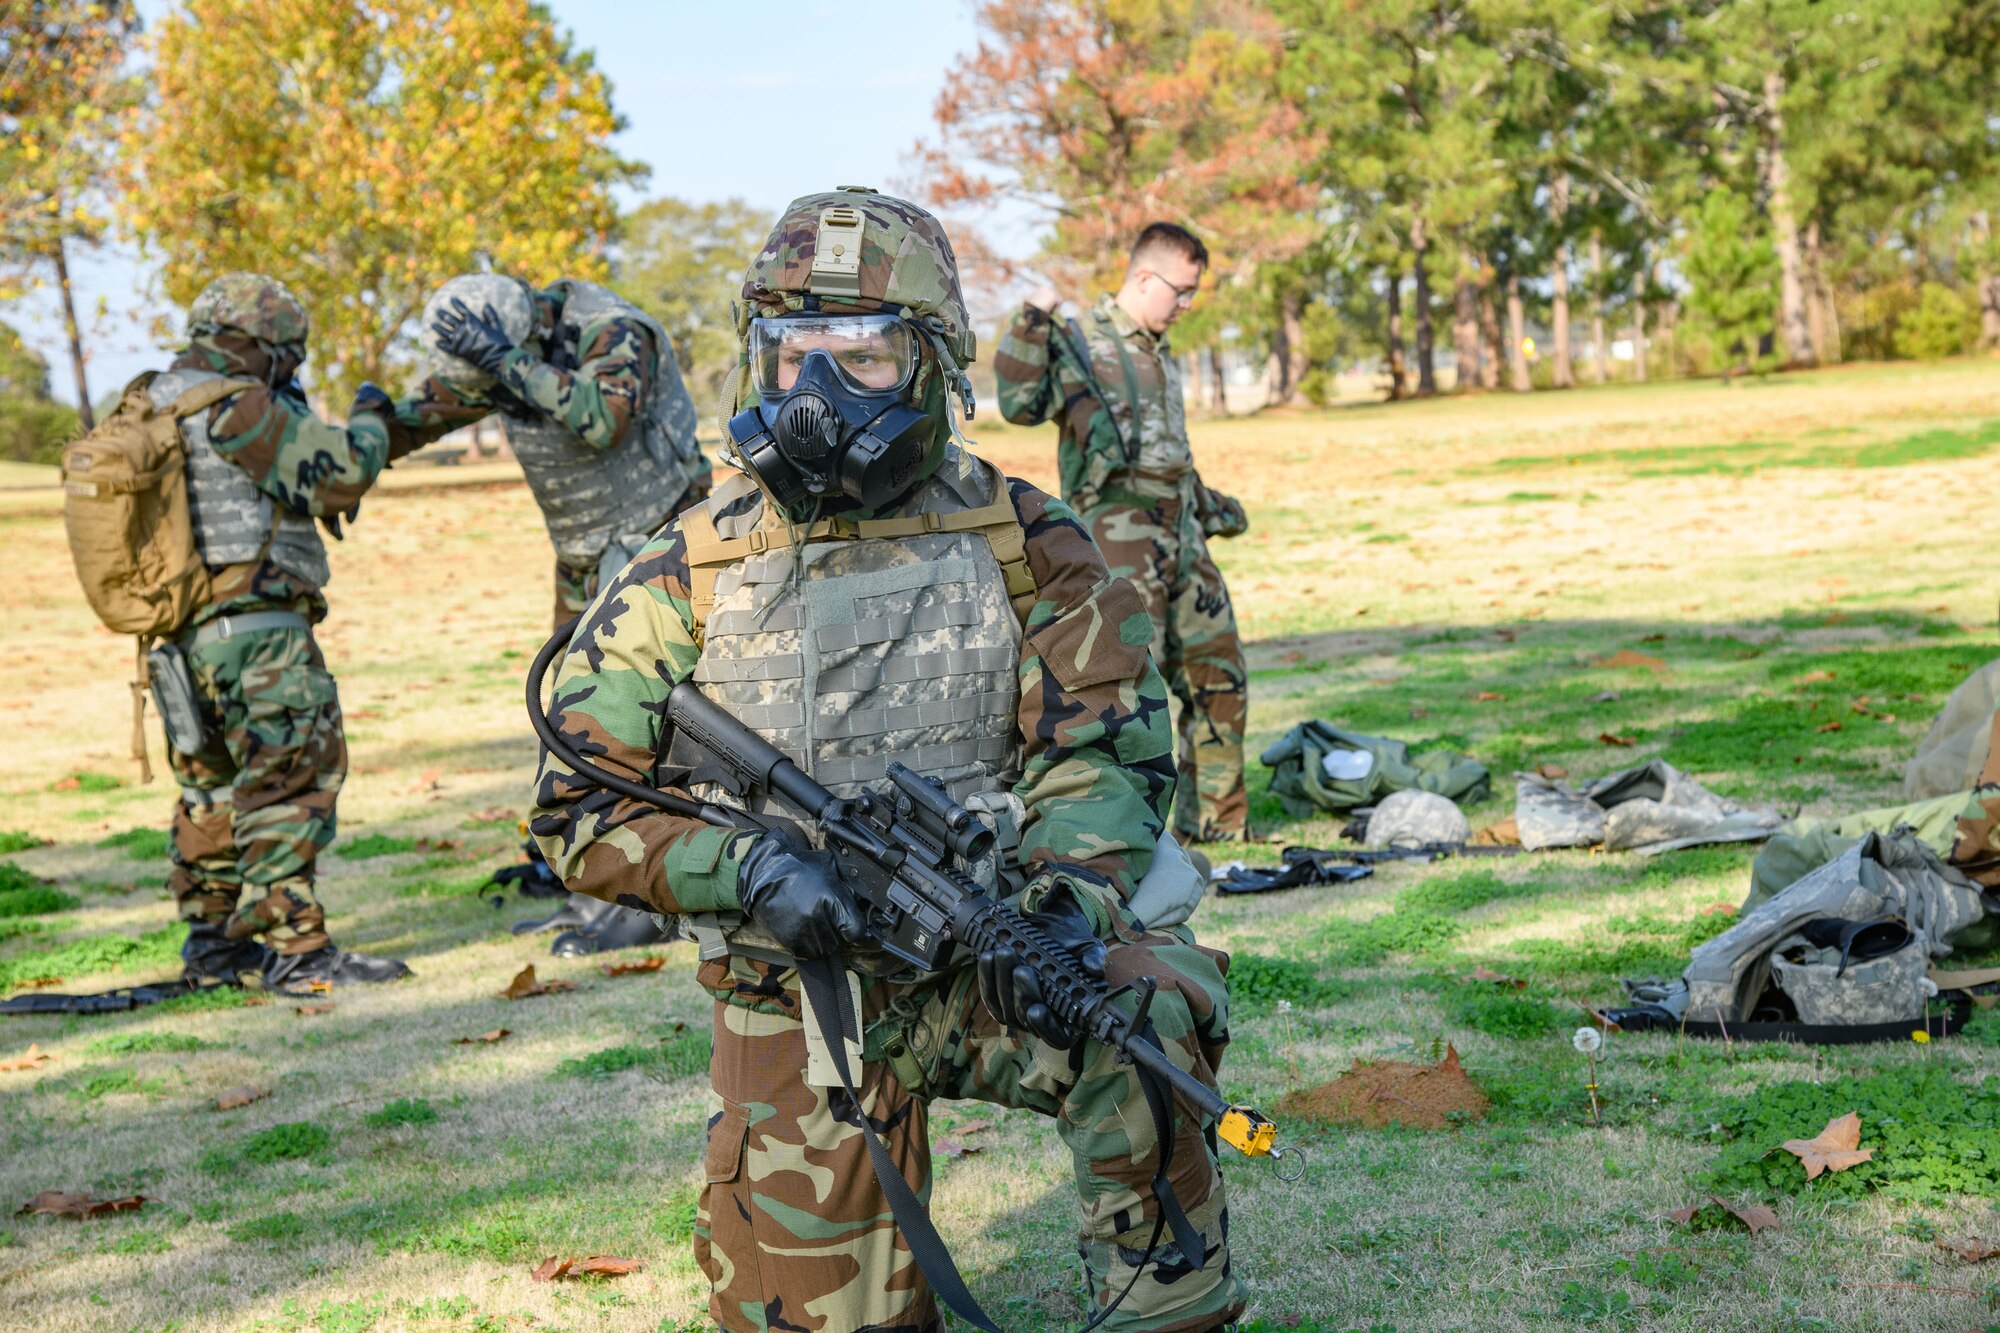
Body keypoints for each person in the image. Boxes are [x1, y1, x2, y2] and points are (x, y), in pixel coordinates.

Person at [530, 188, 1245, 1333]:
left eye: (859, 355)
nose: (814, 392)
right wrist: (747, 873)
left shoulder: (1025, 540)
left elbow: (1102, 750)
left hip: (983, 951)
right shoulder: (686, 569)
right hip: (797, 986)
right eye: (788, 352)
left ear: (930, 365)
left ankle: (1163, 1301)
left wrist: (1064, 902)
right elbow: (575, 808)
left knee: (1140, 1008)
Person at [393, 272, 711, 954]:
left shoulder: (610, 329)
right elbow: (434, 407)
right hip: (588, 552)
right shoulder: (506, 345)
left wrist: (502, 361)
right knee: (577, 721)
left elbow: (602, 417)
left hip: (659, 547)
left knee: (653, 722)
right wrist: (367, 434)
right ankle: (596, 886)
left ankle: (650, 894)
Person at [155, 273, 420, 993]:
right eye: (291, 353)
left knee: (208, 792)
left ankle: (213, 947)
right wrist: (369, 415)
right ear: (262, 343)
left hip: (176, 643)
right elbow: (340, 474)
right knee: (288, 781)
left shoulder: (150, 398)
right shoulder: (234, 403)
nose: (294, 367)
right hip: (258, 637)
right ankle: (299, 952)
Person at [995, 225, 1251, 843]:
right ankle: (1133, 834)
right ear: (1143, 278)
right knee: (1131, 692)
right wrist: (1032, 320)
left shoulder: (1157, 351)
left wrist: (1209, 504)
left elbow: (1164, 452)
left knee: (1221, 676)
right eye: (1180, 292)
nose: (1186, 305)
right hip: (1117, 538)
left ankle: (1216, 823)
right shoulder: (1081, 343)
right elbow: (1018, 400)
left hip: (1181, 536)